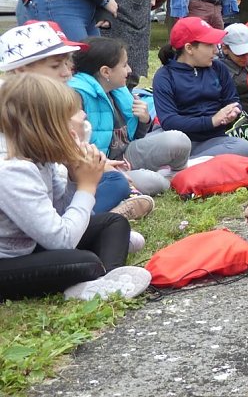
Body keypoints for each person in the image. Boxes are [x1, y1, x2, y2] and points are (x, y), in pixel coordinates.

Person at [0, 74, 151, 302]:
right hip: (6, 262)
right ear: (49, 125)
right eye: (73, 113)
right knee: (84, 261)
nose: (83, 116)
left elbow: (62, 214)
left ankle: (107, 279)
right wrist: (86, 186)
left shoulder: (40, 157)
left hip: (31, 245)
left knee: (114, 222)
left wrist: (73, 178)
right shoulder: (13, 170)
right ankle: (97, 277)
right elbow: (62, 240)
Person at [0, 21, 150, 220]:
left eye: (68, 64)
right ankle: (98, 221)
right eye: (55, 65)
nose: (67, 72)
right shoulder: (18, 112)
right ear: (20, 70)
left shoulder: (58, 101)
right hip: (31, 209)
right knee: (130, 182)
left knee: (120, 180)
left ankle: (97, 220)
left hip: (62, 191)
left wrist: (98, 162)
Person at [69, 37, 191, 194]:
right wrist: (108, 167)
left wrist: (144, 120)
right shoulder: (77, 96)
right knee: (152, 181)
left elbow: (131, 138)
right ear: (106, 71)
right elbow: (75, 152)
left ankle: (176, 175)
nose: (129, 70)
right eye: (124, 65)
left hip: (126, 154)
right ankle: (162, 182)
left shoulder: (117, 90)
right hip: (100, 168)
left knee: (179, 140)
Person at [152, 17, 248, 159]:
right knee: (170, 143)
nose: (216, 51)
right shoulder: (165, 76)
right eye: (210, 45)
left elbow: (233, 99)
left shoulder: (218, 68)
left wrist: (234, 111)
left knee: (243, 147)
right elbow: (169, 121)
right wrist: (212, 121)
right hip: (180, 141)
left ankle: (185, 166)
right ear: (189, 48)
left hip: (214, 141)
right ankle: (195, 165)